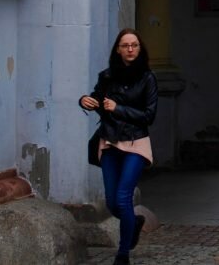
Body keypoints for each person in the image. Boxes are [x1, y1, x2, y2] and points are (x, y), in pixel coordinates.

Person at [79, 28, 158, 265]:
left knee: (123, 197)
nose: (130, 49)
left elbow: (149, 115)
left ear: (140, 48)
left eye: (134, 45)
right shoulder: (107, 76)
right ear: (118, 49)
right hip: (110, 141)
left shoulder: (148, 78)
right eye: (125, 45)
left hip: (135, 142)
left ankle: (122, 255)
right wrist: (85, 101)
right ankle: (134, 223)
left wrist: (118, 109)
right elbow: (97, 100)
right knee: (112, 202)